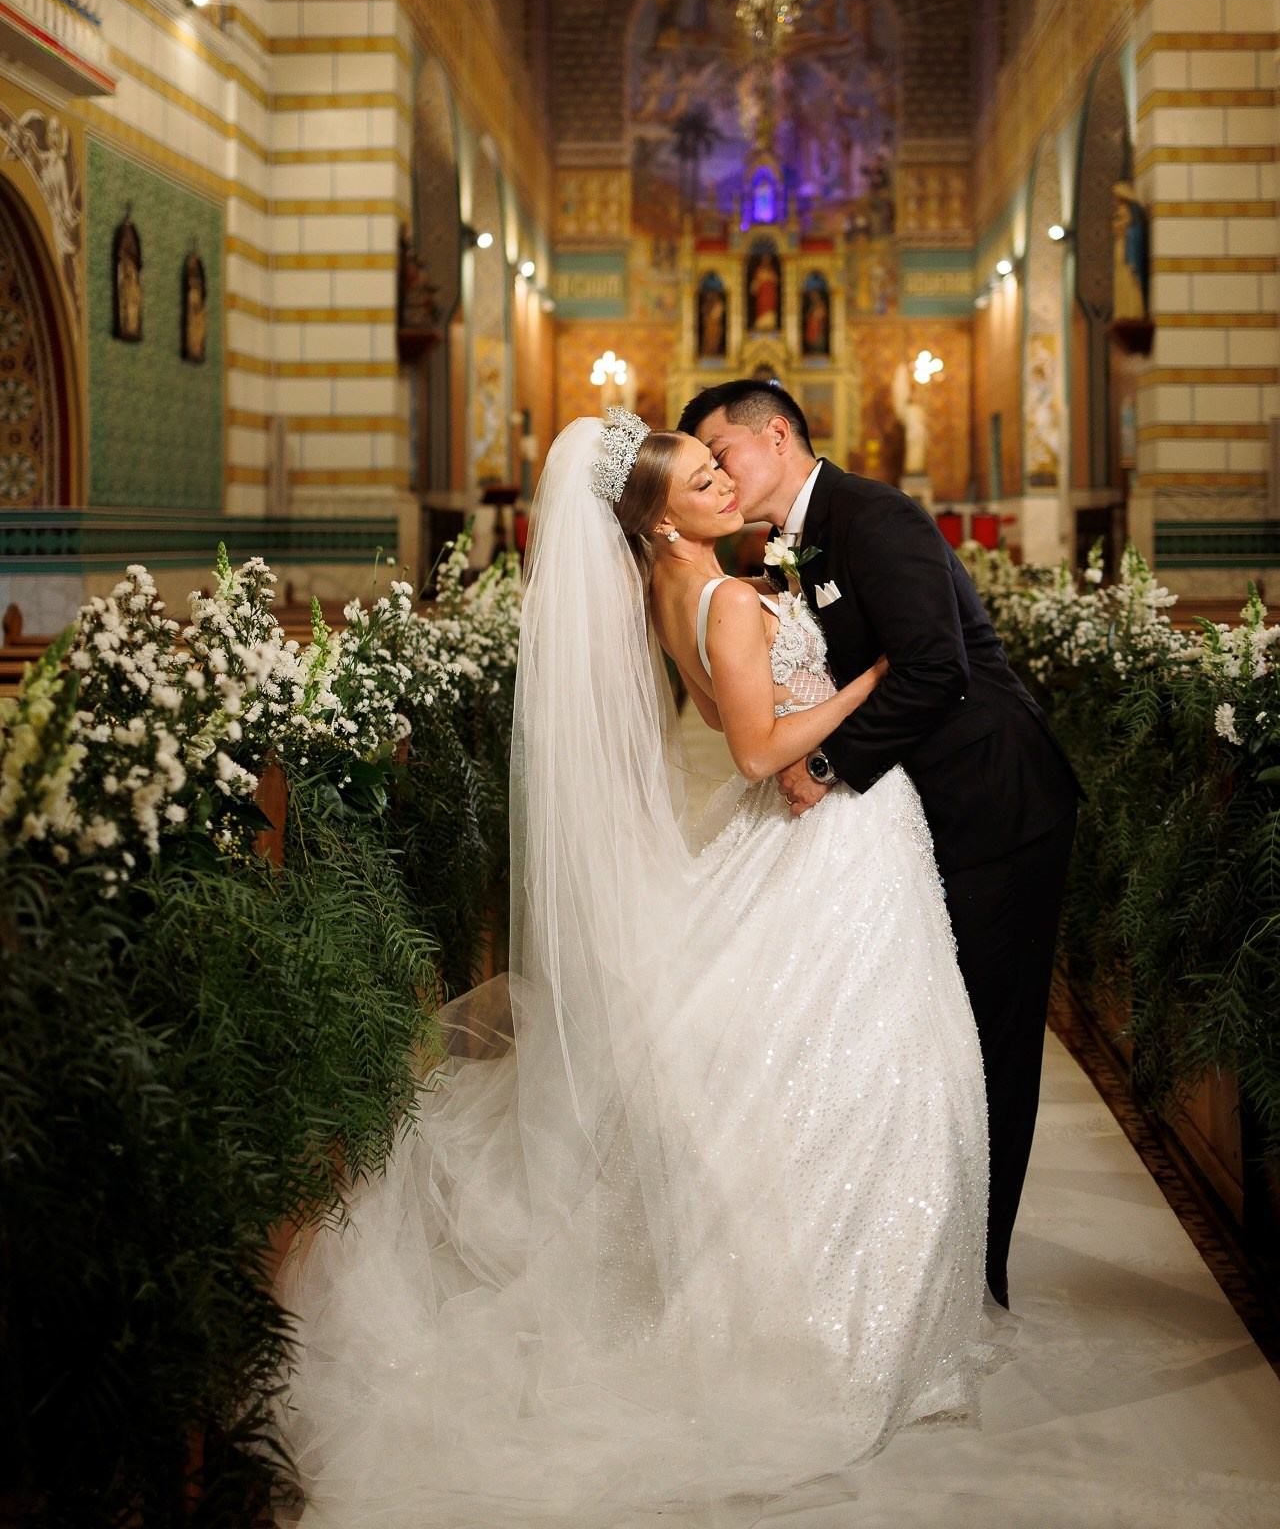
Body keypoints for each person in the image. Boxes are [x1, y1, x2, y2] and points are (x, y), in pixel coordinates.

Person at [280, 410, 992, 1525]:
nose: (722, 483)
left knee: (859, 1070)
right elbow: (757, 749)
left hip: (821, 826)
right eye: (701, 478)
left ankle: (850, 1294)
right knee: (884, 1076)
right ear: (658, 522)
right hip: (833, 830)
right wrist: (864, 690)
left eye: (720, 467)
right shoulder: (720, 593)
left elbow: (723, 716)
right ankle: (839, 1315)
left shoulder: (679, 595)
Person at [679, 378, 1080, 1309]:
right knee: (937, 1040)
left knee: (991, 1044)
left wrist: (823, 768)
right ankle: (922, 1262)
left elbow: (935, 667)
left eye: (720, 453)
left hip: (997, 803)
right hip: (927, 809)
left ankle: (979, 1281)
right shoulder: (799, 536)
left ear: (775, 436)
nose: (721, 478)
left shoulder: (874, 514)